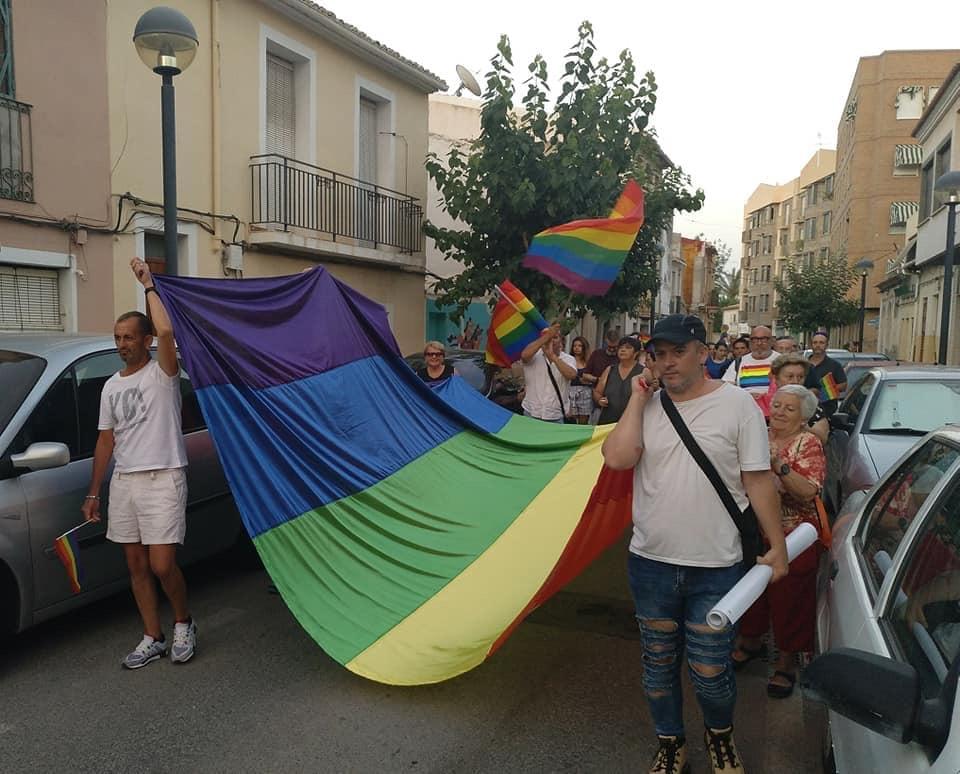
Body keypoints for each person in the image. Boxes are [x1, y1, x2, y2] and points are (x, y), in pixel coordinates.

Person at [602, 313, 787, 774]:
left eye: (678, 352)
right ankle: (670, 743)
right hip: (651, 563)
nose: (667, 363)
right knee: (658, 667)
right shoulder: (649, 405)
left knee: (710, 672)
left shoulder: (738, 405)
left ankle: (719, 736)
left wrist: (777, 544)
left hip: (717, 565)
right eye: (658, 354)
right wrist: (637, 400)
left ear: (703, 353)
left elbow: (757, 479)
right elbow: (618, 458)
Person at [82, 258, 196, 669]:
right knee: (135, 565)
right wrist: (94, 492)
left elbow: (167, 329)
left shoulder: (164, 373)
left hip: (163, 476)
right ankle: (154, 636)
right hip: (125, 482)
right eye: (117, 338)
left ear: (145, 341)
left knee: (162, 564)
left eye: (129, 337)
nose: (122, 344)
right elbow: (105, 440)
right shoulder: (111, 386)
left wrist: (149, 285)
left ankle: (183, 622)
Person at [733, 384, 825, 700]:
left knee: (790, 598)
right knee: (751, 592)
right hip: (751, 532)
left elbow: (808, 491)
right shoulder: (757, 436)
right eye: (777, 405)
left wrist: (778, 465)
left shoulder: (808, 443)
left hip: (793, 536)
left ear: (803, 418)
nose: (779, 412)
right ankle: (751, 641)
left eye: (789, 408)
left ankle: (787, 660)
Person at [757, 354, 830, 444]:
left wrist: (796, 423)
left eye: (800, 377)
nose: (795, 381)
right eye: (790, 377)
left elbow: (823, 437)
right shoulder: (761, 403)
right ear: (776, 379)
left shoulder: (811, 403)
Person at [520, 322, 578, 422]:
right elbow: (524, 355)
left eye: (554, 337)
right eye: (547, 337)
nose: (550, 340)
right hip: (531, 414)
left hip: (555, 417)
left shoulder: (569, 359)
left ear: (561, 341)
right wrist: (547, 336)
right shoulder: (534, 355)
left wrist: (552, 356)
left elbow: (571, 375)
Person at [722, 326, 778, 417]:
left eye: (764, 339)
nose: (759, 343)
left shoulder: (781, 361)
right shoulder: (739, 362)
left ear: (771, 341)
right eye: (755, 340)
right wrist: (746, 396)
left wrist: (764, 398)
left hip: (773, 415)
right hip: (746, 414)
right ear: (750, 342)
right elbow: (726, 387)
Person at [594, 337, 648, 424]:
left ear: (636, 353)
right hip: (608, 421)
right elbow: (597, 392)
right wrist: (600, 400)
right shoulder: (610, 370)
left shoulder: (643, 372)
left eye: (628, 347)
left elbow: (651, 393)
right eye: (621, 347)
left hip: (632, 422)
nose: (623, 350)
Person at [804, 331, 847, 415]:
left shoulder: (835, 365)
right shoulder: (803, 364)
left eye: (821, 343)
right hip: (806, 409)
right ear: (811, 345)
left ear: (827, 345)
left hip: (827, 410)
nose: (818, 345)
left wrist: (826, 390)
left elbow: (843, 385)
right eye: (815, 342)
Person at [568, 336, 598, 424]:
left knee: (583, 421)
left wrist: (589, 380)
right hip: (570, 391)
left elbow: (595, 376)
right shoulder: (568, 360)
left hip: (586, 392)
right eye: (574, 346)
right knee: (571, 419)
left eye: (580, 346)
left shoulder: (589, 362)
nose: (577, 348)